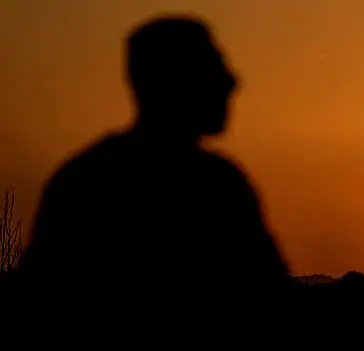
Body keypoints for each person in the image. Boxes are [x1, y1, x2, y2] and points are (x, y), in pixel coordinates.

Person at [19, 15, 293, 324]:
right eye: (212, 67)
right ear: (173, 80)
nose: (232, 81)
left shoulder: (81, 180)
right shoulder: (217, 187)